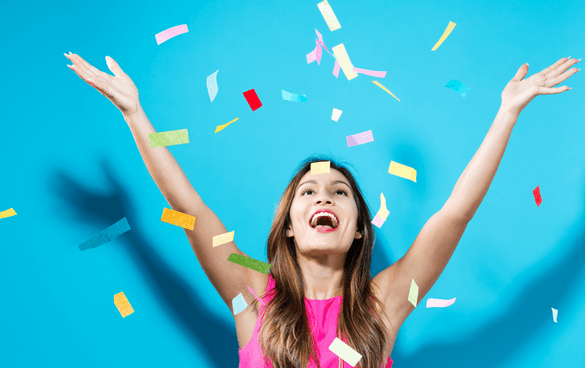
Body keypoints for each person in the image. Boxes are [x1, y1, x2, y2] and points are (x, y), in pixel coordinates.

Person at [65, 52, 579, 368]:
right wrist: (135, 113)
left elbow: (453, 216)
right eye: (308, 193)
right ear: (288, 227)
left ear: (359, 229)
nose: (324, 197)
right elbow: (189, 207)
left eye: (339, 191)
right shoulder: (251, 296)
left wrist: (506, 113)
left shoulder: (383, 306)